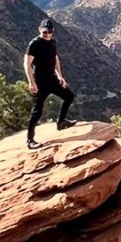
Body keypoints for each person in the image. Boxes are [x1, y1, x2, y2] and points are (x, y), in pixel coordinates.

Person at [25, 18, 77, 149]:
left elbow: (55, 58)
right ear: (39, 30)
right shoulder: (34, 44)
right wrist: (31, 82)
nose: (47, 35)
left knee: (69, 96)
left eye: (49, 32)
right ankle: (30, 140)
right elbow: (27, 64)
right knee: (37, 111)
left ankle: (61, 122)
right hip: (40, 82)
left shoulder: (53, 41)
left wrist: (60, 76)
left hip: (52, 79)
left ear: (52, 32)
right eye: (44, 32)